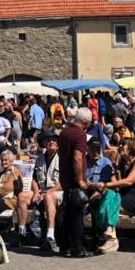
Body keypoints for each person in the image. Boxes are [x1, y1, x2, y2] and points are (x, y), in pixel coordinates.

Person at [57, 106, 92, 258]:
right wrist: (80, 180)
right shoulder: (80, 135)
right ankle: (77, 247)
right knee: (77, 214)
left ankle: (64, 246)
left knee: (68, 213)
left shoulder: (64, 132)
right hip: (74, 180)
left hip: (65, 177)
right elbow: (78, 157)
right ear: (86, 122)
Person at [17, 136, 60, 249]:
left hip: (56, 191)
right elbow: (35, 179)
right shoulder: (40, 159)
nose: (51, 142)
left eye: (54, 140)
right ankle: (21, 231)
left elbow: (63, 182)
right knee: (22, 196)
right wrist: (36, 192)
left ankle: (50, 235)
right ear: (44, 144)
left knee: (48, 197)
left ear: (58, 144)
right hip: (41, 190)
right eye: (48, 140)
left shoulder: (62, 158)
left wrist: (46, 193)